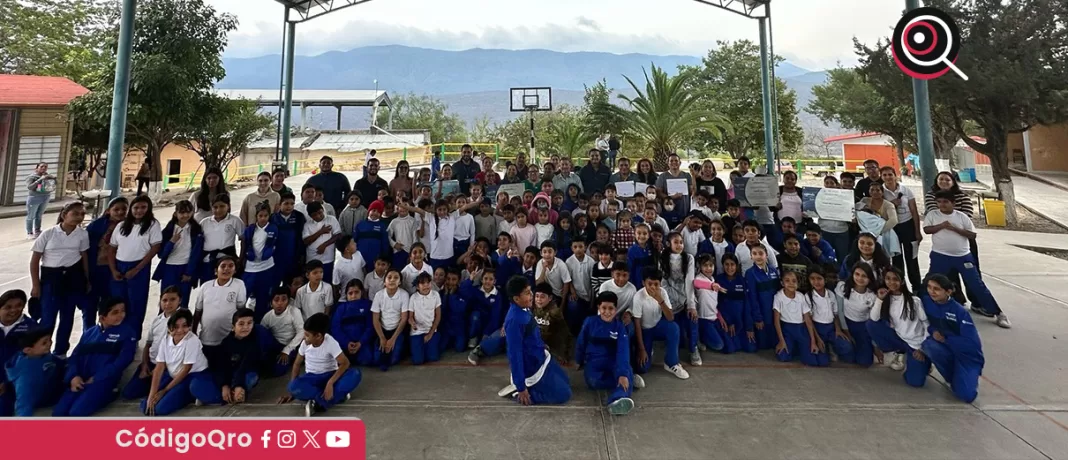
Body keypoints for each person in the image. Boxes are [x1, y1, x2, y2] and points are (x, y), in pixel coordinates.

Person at [924, 190, 1010, 328]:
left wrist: (954, 228)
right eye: (939, 202)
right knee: (930, 281)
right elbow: (927, 230)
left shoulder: (961, 217)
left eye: (945, 202)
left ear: (953, 203)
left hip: (962, 256)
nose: (942, 205)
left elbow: (972, 235)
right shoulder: (933, 214)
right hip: (939, 255)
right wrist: (941, 226)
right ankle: (924, 309)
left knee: (976, 284)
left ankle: (998, 312)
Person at [52, 297, 137, 417]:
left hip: (102, 381)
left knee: (77, 412)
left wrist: (97, 377)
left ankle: (110, 394)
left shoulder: (127, 333)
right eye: (115, 312)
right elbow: (74, 357)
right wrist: (73, 377)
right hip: (80, 380)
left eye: (123, 311)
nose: (121, 315)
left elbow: (123, 361)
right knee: (59, 413)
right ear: (102, 317)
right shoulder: (89, 333)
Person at [495, 275, 572, 404]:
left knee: (567, 381)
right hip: (533, 368)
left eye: (530, 291)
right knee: (565, 395)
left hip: (541, 357)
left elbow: (532, 332)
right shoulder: (515, 320)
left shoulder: (525, 307)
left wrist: (541, 345)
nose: (532, 295)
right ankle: (522, 394)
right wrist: (521, 387)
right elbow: (515, 355)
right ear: (516, 298)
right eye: (527, 293)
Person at [30, 202, 90, 356]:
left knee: (67, 317)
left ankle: (60, 352)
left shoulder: (82, 234)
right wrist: (36, 285)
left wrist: (87, 279)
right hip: (51, 280)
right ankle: (42, 352)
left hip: (72, 279)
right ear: (64, 215)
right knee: (47, 319)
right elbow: (35, 260)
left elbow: (84, 257)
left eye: (82, 214)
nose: (79, 217)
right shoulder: (49, 233)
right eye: (75, 213)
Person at [278, 313, 362, 417]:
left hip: (330, 375)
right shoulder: (305, 344)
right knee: (292, 386)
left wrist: (330, 383)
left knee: (355, 374)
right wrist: (292, 392)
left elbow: (345, 363)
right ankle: (334, 397)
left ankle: (319, 401)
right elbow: (296, 364)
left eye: (307, 335)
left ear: (318, 336)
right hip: (312, 378)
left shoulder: (330, 342)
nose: (305, 338)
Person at [918, 274, 984, 403]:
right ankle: (951, 376)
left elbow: (971, 343)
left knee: (966, 396)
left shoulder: (960, 312)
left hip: (966, 356)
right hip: (945, 349)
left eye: (936, 289)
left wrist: (946, 339)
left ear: (948, 291)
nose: (932, 292)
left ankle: (966, 376)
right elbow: (927, 324)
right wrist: (932, 331)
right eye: (929, 287)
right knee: (929, 345)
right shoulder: (926, 302)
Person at [924, 171, 982, 309]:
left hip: (964, 240)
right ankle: (957, 299)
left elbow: (966, 216)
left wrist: (952, 224)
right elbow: (935, 215)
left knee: (972, 274)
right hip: (943, 243)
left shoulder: (962, 196)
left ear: (953, 181)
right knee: (949, 274)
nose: (944, 182)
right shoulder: (931, 196)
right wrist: (947, 222)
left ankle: (977, 302)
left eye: (947, 180)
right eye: (941, 179)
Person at [575, 291, 639, 415]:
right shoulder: (590, 322)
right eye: (604, 308)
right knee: (593, 382)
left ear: (616, 309)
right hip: (594, 361)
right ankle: (631, 378)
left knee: (624, 377)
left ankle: (617, 400)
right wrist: (578, 360)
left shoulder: (619, 327)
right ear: (599, 307)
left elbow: (623, 351)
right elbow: (580, 342)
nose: (607, 312)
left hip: (613, 360)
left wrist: (622, 374)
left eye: (611, 308)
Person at [108, 195, 162, 339]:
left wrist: (137, 269)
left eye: (143, 207)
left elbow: (155, 247)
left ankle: (133, 337)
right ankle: (117, 335)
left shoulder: (152, 225)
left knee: (136, 304)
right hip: (120, 266)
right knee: (118, 303)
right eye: (136, 207)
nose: (139, 211)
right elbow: (112, 248)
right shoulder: (121, 226)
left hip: (139, 267)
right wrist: (113, 270)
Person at [140, 309, 212, 415]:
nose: (180, 330)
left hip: (191, 376)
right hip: (174, 376)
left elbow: (186, 369)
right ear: (169, 328)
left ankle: (191, 395)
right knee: (146, 406)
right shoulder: (165, 340)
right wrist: (152, 393)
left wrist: (164, 391)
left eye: (184, 326)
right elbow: (159, 367)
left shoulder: (192, 340)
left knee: (160, 409)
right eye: (176, 326)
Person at [121, 286, 181, 401]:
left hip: (168, 367)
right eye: (164, 300)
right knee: (128, 393)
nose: (168, 303)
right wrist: (144, 365)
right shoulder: (157, 320)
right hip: (151, 364)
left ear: (180, 301)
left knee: (158, 395)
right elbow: (148, 345)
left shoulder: (183, 319)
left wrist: (160, 369)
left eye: (173, 299)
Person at [867, 268, 929, 379]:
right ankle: (900, 352)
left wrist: (922, 348)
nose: (891, 282)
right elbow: (874, 318)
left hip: (916, 344)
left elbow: (926, 324)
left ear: (902, 281)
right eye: (888, 279)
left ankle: (922, 362)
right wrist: (879, 299)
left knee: (915, 381)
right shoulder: (886, 298)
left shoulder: (914, 301)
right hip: (900, 339)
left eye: (895, 279)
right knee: (871, 324)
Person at [194, 309, 262, 407]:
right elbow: (221, 366)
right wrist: (224, 385)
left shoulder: (254, 342)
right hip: (230, 373)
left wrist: (238, 385)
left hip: (247, 373)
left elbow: (244, 367)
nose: (246, 327)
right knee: (197, 384)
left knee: (249, 380)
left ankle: (223, 398)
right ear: (233, 327)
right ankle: (229, 396)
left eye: (249, 323)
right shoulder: (226, 343)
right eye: (241, 324)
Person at [631, 267, 690, 379]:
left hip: (658, 326)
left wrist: (660, 300)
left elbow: (670, 317)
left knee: (673, 328)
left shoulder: (662, 292)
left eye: (656, 284)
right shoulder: (638, 297)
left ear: (660, 284)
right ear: (643, 283)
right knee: (643, 368)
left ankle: (671, 363)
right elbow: (637, 324)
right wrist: (642, 349)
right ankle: (648, 350)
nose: (653, 287)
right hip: (644, 331)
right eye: (650, 284)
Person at [193, 256, 247, 363]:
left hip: (228, 338)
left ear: (235, 270)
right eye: (223, 266)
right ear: (215, 271)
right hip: (207, 338)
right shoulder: (206, 286)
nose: (227, 269)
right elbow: (198, 311)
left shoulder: (239, 285)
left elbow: (241, 311)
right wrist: (193, 331)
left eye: (231, 266)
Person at [85, 197, 128, 330]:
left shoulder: (130, 226)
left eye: (123, 209)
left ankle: (109, 333)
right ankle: (90, 333)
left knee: (111, 303)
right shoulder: (97, 225)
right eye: (116, 209)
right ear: (108, 211)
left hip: (115, 270)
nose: (120, 212)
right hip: (96, 269)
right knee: (90, 305)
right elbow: (86, 249)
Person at [154, 200, 202, 309]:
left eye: (188, 212)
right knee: (167, 301)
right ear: (176, 213)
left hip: (185, 268)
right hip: (169, 268)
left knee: (183, 302)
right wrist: (171, 242)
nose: (185, 215)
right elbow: (161, 254)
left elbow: (196, 254)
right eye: (182, 212)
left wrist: (189, 272)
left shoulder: (196, 230)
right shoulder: (168, 230)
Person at [5, 328, 64, 416]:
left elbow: (57, 362)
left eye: (50, 340)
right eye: (44, 343)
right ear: (28, 350)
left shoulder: (43, 354)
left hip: (48, 388)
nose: (50, 344)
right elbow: (23, 400)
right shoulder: (26, 375)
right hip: (40, 399)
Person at [881, 166, 923, 292]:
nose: (888, 177)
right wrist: (891, 204)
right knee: (897, 260)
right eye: (885, 175)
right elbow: (880, 213)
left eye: (890, 174)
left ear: (895, 175)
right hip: (893, 228)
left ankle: (917, 287)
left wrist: (917, 231)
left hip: (908, 225)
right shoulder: (881, 192)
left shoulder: (906, 190)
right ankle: (901, 287)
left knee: (912, 259)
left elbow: (914, 211)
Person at [805, 266, 854, 365]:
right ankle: (826, 347)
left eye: (819, 278)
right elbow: (809, 321)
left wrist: (838, 330)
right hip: (818, 329)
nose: (816, 282)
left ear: (825, 279)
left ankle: (833, 347)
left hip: (831, 328)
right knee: (823, 362)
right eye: (812, 279)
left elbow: (835, 314)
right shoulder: (808, 296)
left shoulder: (831, 294)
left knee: (848, 349)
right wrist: (817, 339)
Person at [0, 290, 37, 416]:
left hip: (15, 379)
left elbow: (30, 362)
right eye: (8, 307)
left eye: (19, 305)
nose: (14, 310)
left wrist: (5, 381)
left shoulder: (31, 328)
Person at [772, 271, 821, 366]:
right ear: (782, 283)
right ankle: (794, 347)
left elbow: (807, 320)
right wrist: (782, 341)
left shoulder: (800, 297)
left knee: (813, 361)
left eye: (794, 281)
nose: (791, 283)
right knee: (783, 356)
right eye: (787, 280)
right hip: (787, 329)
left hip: (801, 330)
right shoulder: (778, 297)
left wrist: (813, 341)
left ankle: (801, 348)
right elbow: (776, 321)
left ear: (798, 284)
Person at [834, 263, 879, 367]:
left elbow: (873, 320)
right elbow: (839, 311)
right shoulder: (842, 286)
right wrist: (846, 331)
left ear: (869, 278)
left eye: (864, 276)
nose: (859, 278)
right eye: (857, 274)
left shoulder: (872, 295)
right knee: (848, 355)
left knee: (865, 362)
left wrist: (875, 345)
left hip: (862, 326)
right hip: (844, 322)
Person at [241, 202, 279, 320]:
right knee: (244, 295)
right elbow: (244, 245)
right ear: (256, 216)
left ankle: (260, 321)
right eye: (260, 216)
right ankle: (242, 319)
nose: (263, 218)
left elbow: (275, 245)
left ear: (269, 216)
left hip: (266, 267)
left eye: (265, 216)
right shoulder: (250, 229)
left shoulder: (273, 228)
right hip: (250, 268)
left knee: (263, 297)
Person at [261, 287, 306, 376]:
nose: (280, 303)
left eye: (284, 300)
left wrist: (286, 350)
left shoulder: (294, 312)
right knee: (258, 328)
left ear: (288, 301)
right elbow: (262, 333)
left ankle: (294, 357)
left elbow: (301, 332)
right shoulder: (268, 316)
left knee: (277, 371)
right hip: (275, 344)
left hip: (291, 346)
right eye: (276, 300)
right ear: (271, 302)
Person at [714, 254, 753, 353]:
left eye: (732, 264)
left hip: (740, 321)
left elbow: (746, 305)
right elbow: (717, 304)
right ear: (722, 265)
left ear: (737, 266)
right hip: (725, 321)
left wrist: (749, 327)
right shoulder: (718, 280)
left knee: (751, 348)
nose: (729, 267)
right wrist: (729, 321)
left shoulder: (742, 280)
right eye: (726, 264)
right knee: (729, 349)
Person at [371, 270, 409, 371]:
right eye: (389, 277)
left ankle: (401, 347)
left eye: (396, 278)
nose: (392, 280)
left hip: (397, 330)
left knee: (393, 360)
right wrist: (382, 338)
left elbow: (404, 318)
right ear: (384, 282)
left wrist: (393, 339)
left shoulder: (404, 295)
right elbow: (375, 319)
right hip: (382, 330)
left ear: (400, 282)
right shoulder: (379, 295)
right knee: (377, 359)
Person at [198, 194, 241, 283]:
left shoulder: (234, 220)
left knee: (226, 286)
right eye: (215, 207)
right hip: (208, 261)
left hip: (226, 261)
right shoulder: (204, 222)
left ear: (228, 206)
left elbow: (244, 239)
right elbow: (198, 243)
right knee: (208, 287)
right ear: (211, 207)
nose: (218, 210)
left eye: (222, 206)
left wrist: (241, 258)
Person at [331, 280, 374, 367]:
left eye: (356, 292)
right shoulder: (341, 308)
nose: (353, 296)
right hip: (345, 343)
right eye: (350, 293)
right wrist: (346, 342)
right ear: (346, 295)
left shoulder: (368, 305)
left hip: (362, 343)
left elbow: (370, 327)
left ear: (361, 292)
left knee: (367, 360)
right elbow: (335, 328)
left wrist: (360, 342)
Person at [744, 244, 780, 351]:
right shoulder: (750, 273)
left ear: (767, 255)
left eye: (761, 253)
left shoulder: (774, 270)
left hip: (775, 313)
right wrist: (758, 318)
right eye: (754, 254)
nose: (758, 256)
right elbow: (752, 297)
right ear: (751, 257)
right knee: (764, 346)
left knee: (775, 343)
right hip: (762, 315)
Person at [270, 193, 307, 286]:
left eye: (292, 204)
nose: (289, 206)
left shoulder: (299, 217)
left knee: (291, 285)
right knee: (274, 284)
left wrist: (301, 255)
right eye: (286, 203)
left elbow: (302, 237)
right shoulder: (272, 218)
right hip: (276, 258)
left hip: (293, 257)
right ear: (279, 205)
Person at [303, 202, 343, 284]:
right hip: (312, 258)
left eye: (320, 213)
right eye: (314, 215)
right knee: (313, 282)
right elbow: (306, 241)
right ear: (310, 216)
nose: (318, 216)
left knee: (327, 282)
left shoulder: (331, 219)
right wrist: (321, 232)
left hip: (327, 259)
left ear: (323, 210)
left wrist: (324, 245)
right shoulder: (307, 224)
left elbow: (338, 235)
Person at [407, 272, 443, 365]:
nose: (426, 285)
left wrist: (430, 333)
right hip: (417, 332)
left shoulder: (435, 295)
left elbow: (438, 316)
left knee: (433, 358)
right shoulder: (413, 298)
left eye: (428, 282)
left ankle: (433, 341)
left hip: (431, 330)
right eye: (423, 283)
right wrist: (413, 324)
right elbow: (410, 317)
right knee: (418, 361)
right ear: (418, 286)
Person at [25, 162, 56, 239]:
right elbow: (30, 187)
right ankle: (29, 232)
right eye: (41, 166)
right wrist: (39, 180)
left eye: (45, 167)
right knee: (31, 216)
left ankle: (37, 230)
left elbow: (54, 185)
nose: (43, 168)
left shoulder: (47, 176)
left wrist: (53, 178)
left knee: (39, 215)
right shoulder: (31, 177)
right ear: (36, 168)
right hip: (34, 197)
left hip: (45, 196)